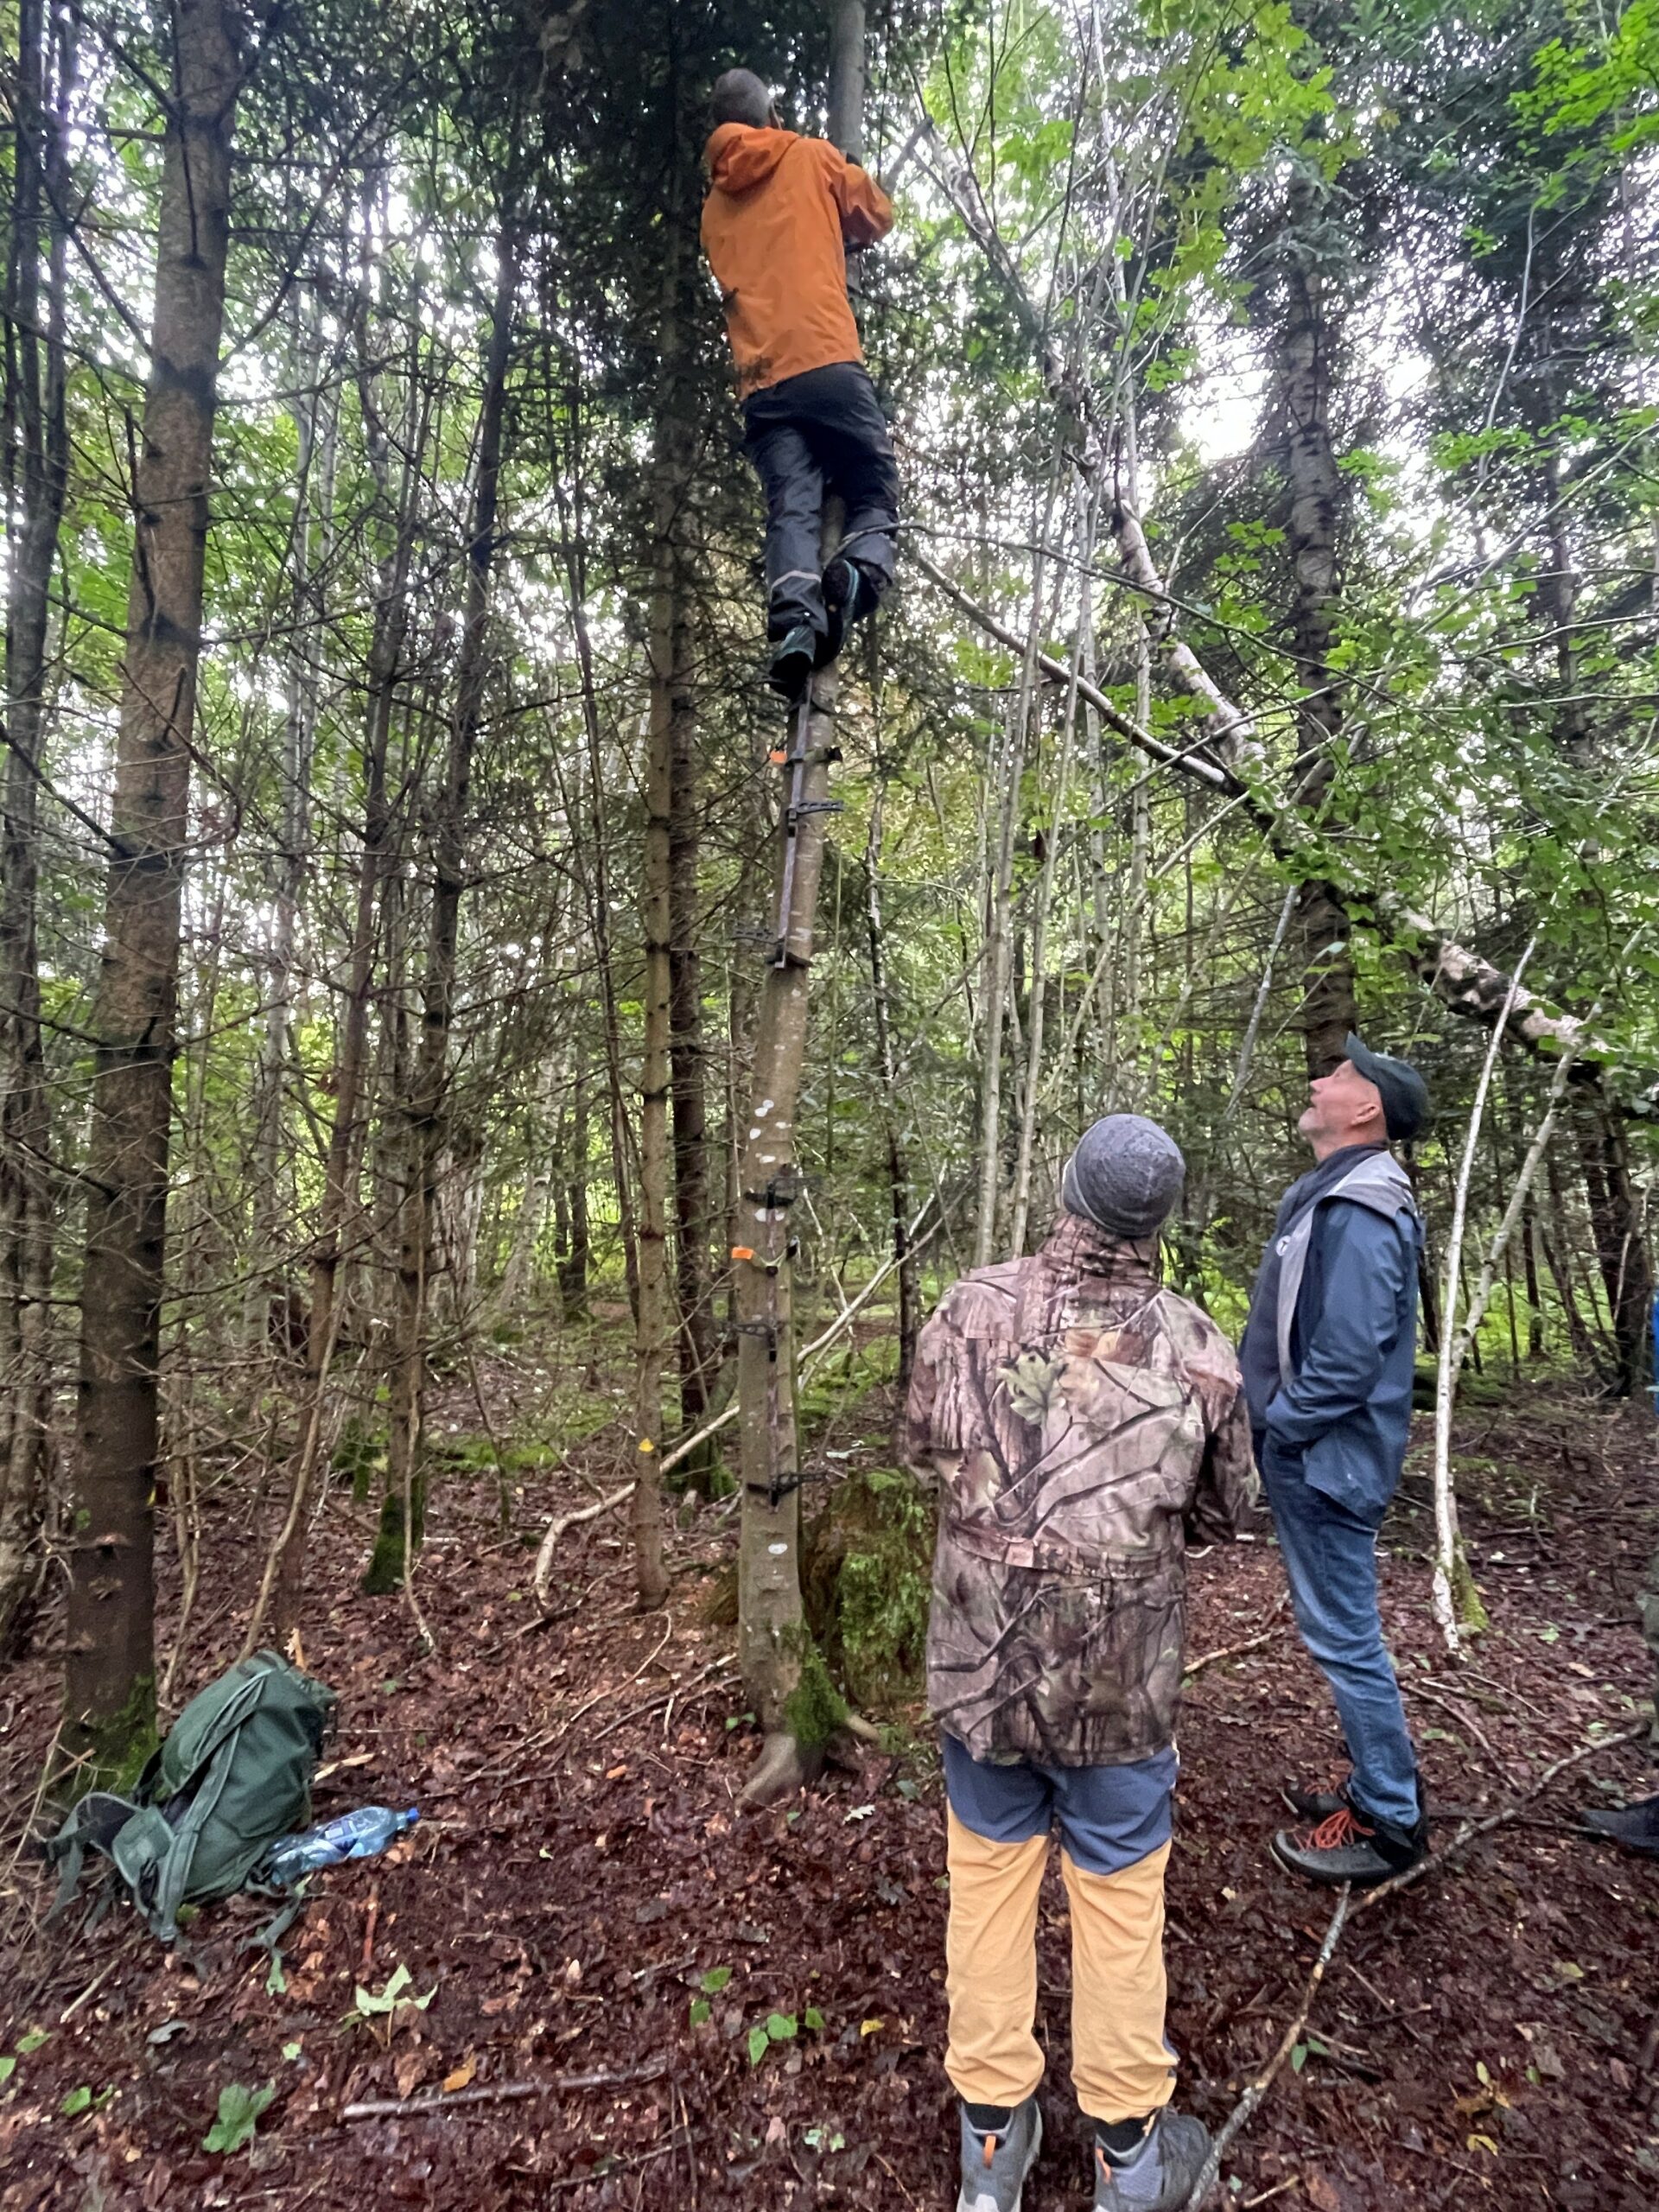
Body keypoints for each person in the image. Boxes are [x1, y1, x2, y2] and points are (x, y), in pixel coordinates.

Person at [905, 1116, 1256, 2212]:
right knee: (1118, 1906)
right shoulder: (1195, 1344)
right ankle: (1129, 2168)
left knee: (989, 1893)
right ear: (1155, 1224)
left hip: (983, 1676)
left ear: (1067, 1193)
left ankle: (991, 2158)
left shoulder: (969, 1308)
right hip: (1119, 1691)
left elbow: (921, 1448)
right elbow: (1229, 1508)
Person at [1238, 1035, 1432, 1886]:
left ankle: (1391, 1824)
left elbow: (1350, 1355)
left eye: (1342, 1075)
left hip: (1325, 1461)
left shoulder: (1362, 1208)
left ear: (1367, 1110)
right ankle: (1373, 1788)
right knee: (1341, 1632)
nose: (1321, 1079)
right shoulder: (1336, 1193)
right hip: (1319, 1454)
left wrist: (1283, 1424)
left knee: (1347, 1639)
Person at [699, 67, 900, 699]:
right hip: (825, 359)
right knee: (873, 487)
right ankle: (860, 575)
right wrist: (844, 177)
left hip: (761, 385)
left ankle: (795, 622)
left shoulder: (712, 211)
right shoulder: (809, 156)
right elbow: (876, 213)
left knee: (793, 505)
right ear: (770, 115)